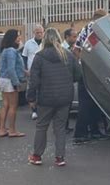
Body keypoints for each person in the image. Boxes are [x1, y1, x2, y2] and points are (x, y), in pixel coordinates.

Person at [27, 28, 80, 166]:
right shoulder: (68, 55)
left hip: (46, 97)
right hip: (64, 97)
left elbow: (34, 81)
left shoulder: (39, 57)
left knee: (41, 126)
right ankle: (60, 157)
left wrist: (31, 98)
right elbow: (78, 75)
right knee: (60, 128)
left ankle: (37, 156)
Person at [73, 10, 110, 144]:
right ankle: (81, 133)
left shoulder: (85, 28)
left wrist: (83, 61)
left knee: (91, 103)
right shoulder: (96, 29)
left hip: (86, 70)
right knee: (88, 103)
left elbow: (76, 49)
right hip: (91, 72)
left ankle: (92, 131)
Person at [0, 29, 26, 138]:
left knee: (5, 105)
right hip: (10, 80)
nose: (19, 38)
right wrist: (16, 82)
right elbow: (11, 69)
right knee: (13, 106)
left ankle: (2, 129)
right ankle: (12, 130)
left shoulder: (5, 50)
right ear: (12, 38)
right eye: (18, 36)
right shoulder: (11, 51)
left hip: (3, 79)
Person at [22, 25, 44, 120]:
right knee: (31, 91)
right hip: (31, 72)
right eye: (37, 32)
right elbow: (24, 57)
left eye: (41, 32)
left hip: (43, 71)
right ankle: (34, 111)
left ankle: (42, 110)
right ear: (34, 33)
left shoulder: (45, 43)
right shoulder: (28, 43)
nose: (39, 34)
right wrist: (25, 70)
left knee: (42, 91)